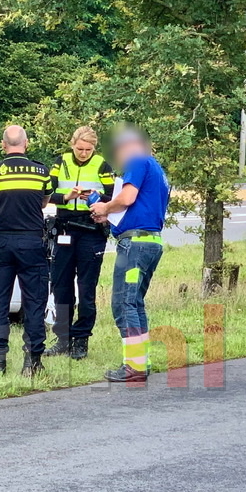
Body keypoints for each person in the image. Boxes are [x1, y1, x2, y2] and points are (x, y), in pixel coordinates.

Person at [89, 127, 171, 383]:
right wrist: (107, 213)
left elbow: (127, 197)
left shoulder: (138, 160)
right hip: (150, 242)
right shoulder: (157, 169)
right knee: (135, 302)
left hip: (135, 244)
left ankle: (134, 366)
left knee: (123, 302)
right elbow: (138, 206)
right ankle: (141, 361)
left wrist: (105, 206)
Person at [0, 124, 55, 377]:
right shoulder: (41, 172)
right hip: (32, 242)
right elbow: (44, 202)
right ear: (27, 143)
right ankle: (32, 362)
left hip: (1, 243)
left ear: (3, 145)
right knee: (34, 302)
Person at [45, 126, 116, 360]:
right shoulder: (61, 162)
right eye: (79, 148)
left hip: (91, 229)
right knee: (61, 286)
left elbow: (113, 197)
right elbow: (46, 194)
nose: (84, 153)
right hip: (65, 227)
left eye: (88, 149)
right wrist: (67, 196)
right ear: (72, 144)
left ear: (94, 148)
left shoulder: (102, 164)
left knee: (86, 289)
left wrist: (93, 197)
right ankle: (63, 339)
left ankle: (81, 340)